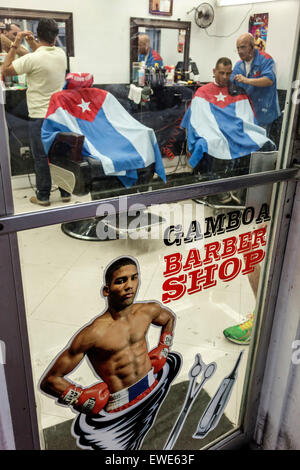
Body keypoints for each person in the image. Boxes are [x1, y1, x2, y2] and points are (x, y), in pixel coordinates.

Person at [39, 256, 176, 416]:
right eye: (121, 281)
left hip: (152, 384)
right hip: (120, 403)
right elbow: (50, 381)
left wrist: (164, 348)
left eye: (134, 278)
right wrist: (80, 398)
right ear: (106, 290)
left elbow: (169, 319)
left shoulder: (147, 311)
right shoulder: (94, 333)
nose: (129, 286)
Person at [181, 57, 273, 206]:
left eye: (228, 73)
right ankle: (217, 190)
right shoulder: (202, 92)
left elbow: (247, 118)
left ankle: (243, 188)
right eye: (221, 73)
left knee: (263, 141)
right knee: (209, 142)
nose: (224, 77)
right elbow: (195, 121)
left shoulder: (237, 91)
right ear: (214, 71)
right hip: (212, 132)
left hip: (235, 131)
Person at [2, 18, 70, 206]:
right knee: (59, 156)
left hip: (39, 117)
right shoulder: (60, 54)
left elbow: (5, 70)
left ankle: (43, 196)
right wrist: (34, 42)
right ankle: (65, 192)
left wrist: (15, 44)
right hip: (59, 116)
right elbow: (41, 53)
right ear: (56, 36)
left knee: (41, 157)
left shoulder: (32, 59)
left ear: (37, 34)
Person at [231, 32, 280, 134]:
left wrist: (246, 80)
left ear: (252, 47)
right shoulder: (239, 65)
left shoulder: (266, 60)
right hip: (247, 113)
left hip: (264, 112)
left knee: (260, 144)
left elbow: (269, 80)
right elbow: (230, 83)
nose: (239, 51)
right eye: (238, 48)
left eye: (243, 47)